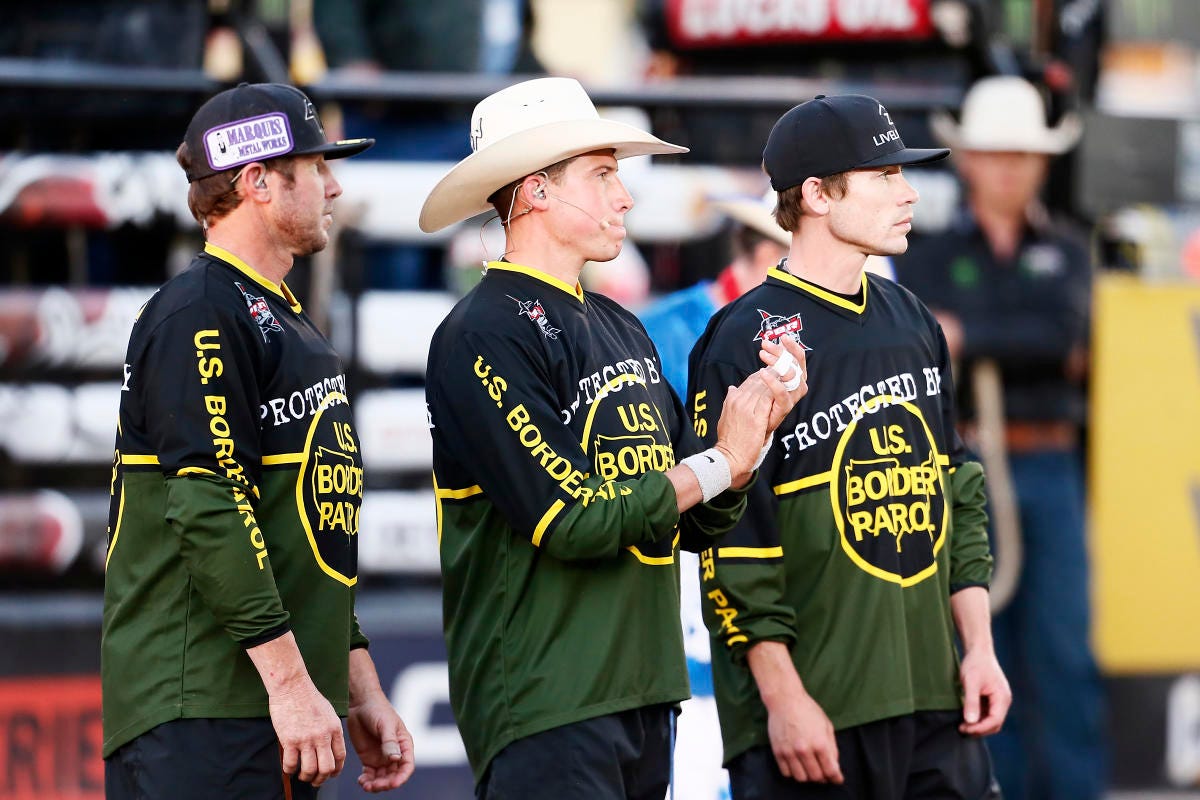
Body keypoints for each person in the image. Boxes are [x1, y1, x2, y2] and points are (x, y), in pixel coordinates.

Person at [419, 76, 808, 799]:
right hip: (545, 697)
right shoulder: (481, 331)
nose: (624, 196)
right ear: (535, 191)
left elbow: (693, 517)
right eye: (603, 176)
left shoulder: (621, 323)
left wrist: (747, 444)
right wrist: (722, 461)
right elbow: (574, 520)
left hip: (645, 692)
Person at [688, 94, 1011, 799]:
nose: (908, 193)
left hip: (935, 701)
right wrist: (783, 700)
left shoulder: (913, 318)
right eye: (884, 177)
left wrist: (979, 650)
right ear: (815, 196)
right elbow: (731, 546)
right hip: (816, 718)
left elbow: (957, 493)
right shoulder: (739, 341)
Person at [102, 82, 414, 798]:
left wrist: (353, 683)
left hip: (267, 709)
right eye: (315, 168)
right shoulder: (201, 310)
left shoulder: (278, 315)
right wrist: (293, 684)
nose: (334, 186)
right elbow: (208, 507)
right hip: (205, 709)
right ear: (258, 182)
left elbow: (307, 532)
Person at [892, 75, 1102, 800]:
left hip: (1046, 464)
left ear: (1042, 163)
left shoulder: (1070, 251)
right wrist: (990, 339)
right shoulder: (924, 253)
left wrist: (969, 333)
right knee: (981, 650)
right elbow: (926, 336)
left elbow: (1060, 338)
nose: (1009, 168)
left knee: (1063, 653)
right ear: (970, 159)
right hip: (965, 460)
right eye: (995, 153)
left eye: (1022, 155)